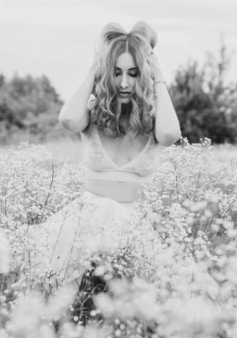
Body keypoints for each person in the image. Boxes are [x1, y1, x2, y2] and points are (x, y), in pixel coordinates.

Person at [16, 22, 218, 311]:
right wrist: (97, 66)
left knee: (170, 302)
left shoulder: (153, 121)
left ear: (144, 75)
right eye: (117, 72)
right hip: (84, 225)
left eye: (133, 74)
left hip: (135, 227)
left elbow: (171, 135)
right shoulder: (94, 112)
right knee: (53, 298)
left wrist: (158, 77)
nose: (124, 83)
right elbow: (68, 120)